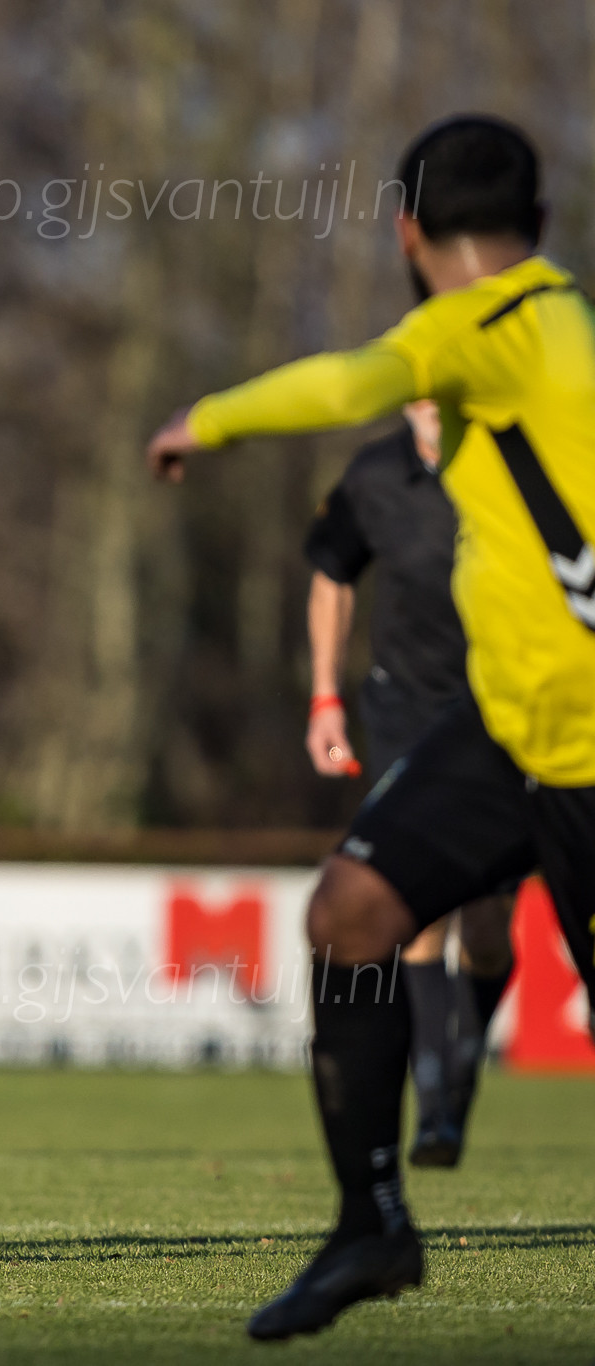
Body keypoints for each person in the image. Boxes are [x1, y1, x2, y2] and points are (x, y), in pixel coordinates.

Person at [147, 114, 595, 1340]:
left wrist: (204, 420)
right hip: (506, 730)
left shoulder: (485, 323)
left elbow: (346, 384)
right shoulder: (553, 324)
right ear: (536, 221)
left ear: (405, 233)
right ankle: (371, 1226)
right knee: (350, 911)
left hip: (584, 748)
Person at [303, 399, 514, 1168]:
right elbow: (332, 575)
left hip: (498, 710)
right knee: (412, 905)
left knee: (486, 925)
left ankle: (462, 1063)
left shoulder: (509, 459)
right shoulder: (374, 475)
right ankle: (434, 1104)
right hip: (404, 714)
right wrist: (325, 697)